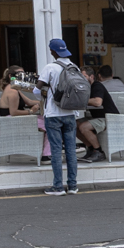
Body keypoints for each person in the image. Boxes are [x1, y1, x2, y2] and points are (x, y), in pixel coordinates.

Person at [38, 39, 83, 195]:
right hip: (70, 113)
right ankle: (72, 186)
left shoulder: (50, 67)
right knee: (71, 150)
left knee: (56, 151)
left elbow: (37, 91)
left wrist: (43, 91)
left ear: (53, 51)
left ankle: (58, 186)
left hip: (53, 114)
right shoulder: (74, 67)